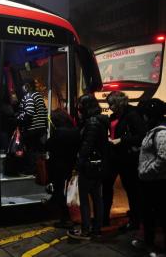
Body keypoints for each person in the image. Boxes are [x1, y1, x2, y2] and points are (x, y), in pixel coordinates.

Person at [67, 94, 109, 240]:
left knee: (85, 199)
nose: (78, 110)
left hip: (89, 166)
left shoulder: (91, 123)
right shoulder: (101, 121)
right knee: (98, 198)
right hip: (99, 165)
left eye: (80, 107)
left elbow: (86, 147)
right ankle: (97, 229)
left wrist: (77, 166)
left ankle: (86, 230)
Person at [104, 91, 146, 230]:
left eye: (111, 104)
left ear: (119, 103)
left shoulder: (132, 115)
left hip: (127, 157)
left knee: (132, 189)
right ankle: (104, 217)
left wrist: (121, 140)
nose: (109, 107)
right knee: (107, 185)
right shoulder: (116, 116)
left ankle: (136, 220)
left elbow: (141, 136)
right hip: (114, 156)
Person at [131, 98, 166, 257]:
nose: (142, 118)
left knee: (158, 213)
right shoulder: (153, 130)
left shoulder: (161, 132)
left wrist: (147, 170)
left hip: (156, 182)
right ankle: (148, 242)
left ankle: (157, 247)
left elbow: (164, 158)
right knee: (148, 214)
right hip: (150, 181)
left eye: (144, 115)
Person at [46, 109, 79, 228]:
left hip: (57, 166)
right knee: (62, 191)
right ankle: (62, 214)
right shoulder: (75, 131)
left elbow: (48, 145)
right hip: (69, 164)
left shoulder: (59, 132)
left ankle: (65, 218)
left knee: (59, 191)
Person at [15, 80, 48, 175]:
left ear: (27, 86)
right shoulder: (38, 95)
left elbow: (29, 112)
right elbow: (44, 111)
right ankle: (38, 170)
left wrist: (19, 118)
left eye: (23, 86)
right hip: (40, 127)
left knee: (30, 149)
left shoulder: (29, 96)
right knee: (37, 149)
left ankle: (31, 169)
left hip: (32, 128)